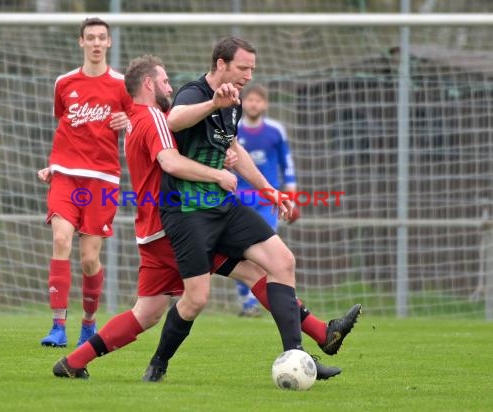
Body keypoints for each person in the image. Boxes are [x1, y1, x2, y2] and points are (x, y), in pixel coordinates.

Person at [49, 55, 358, 380]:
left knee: (148, 311)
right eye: (166, 81)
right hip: (174, 226)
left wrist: (219, 152)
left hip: (152, 231)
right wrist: (216, 174)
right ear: (149, 84)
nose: (171, 86)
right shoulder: (153, 117)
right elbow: (170, 162)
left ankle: (73, 362)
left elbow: (177, 149)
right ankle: (318, 336)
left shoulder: (140, 118)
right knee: (253, 274)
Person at [142, 37, 359, 382]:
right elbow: (174, 121)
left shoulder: (234, 102)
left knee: (282, 261)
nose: (248, 75)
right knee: (196, 299)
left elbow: (236, 151)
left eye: (252, 69)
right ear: (220, 64)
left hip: (223, 206)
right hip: (187, 212)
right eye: (243, 67)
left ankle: (298, 356)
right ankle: (158, 364)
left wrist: (269, 191)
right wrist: (213, 103)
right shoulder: (194, 93)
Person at [39, 17, 132, 348]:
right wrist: (54, 165)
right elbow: (62, 123)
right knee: (61, 241)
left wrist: (128, 121)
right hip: (65, 175)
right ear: (81, 42)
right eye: (90, 37)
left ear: (108, 43)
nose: (95, 43)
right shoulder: (64, 83)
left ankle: (88, 325)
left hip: (103, 181)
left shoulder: (122, 85)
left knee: (89, 259)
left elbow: (138, 123)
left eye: (101, 38)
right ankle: (58, 327)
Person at [233, 83, 299, 317]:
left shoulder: (275, 131)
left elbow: (287, 164)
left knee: (264, 252)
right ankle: (246, 301)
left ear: (265, 104)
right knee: (241, 253)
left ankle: (254, 300)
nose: (253, 104)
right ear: (243, 102)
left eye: (258, 100)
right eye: (249, 100)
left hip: (266, 201)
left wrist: (291, 197)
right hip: (238, 200)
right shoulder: (233, 128)